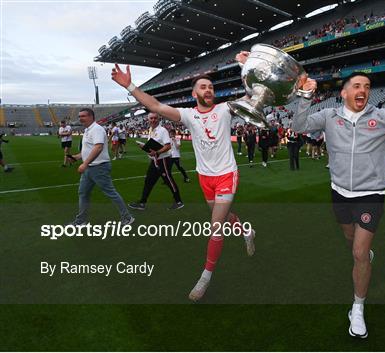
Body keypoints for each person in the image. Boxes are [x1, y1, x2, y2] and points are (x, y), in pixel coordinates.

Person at [292, 72, 385, 339]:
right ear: (344, 93)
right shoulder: (328, 117)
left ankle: (357, 307)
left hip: (371, 193)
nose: (363, 90)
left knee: (359, 252)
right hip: (339, 192)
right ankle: (363, 258)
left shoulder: (381, 116)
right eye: (356, 86)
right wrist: (304, 96)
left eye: (367, 87)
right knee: (351, 242)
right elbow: (299, 126)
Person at [111, 54, 255, 302]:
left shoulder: (225, 109)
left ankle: (205, 276)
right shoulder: (188, 115)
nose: (208, 89)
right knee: (222, 216)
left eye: (211, 86)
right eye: (203, 86)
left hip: (226, 175)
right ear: (194, 94)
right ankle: (246, 230)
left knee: (215, 226)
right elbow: (155, 106)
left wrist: (247, 66)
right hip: (205, 177)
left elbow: (252, 97)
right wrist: (130, 87)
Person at [67, 108, 134, 226]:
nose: (80, 118)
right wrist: (76, 157)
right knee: (83, 193)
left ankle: (127, 218)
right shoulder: (88, 130)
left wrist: (85, 163)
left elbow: (98, 148)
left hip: (99, 167)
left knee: (110, 193)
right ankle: (81, 220)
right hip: (90, 167)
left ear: (91, 117)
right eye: (79, 116)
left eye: (83, 116)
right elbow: (88, 150)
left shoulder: (97, 129)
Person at [128, 113, 184, 211]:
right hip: (155, 160)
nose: (153, 120)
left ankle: (178, 201)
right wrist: (145, 147)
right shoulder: (151, 130)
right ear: (148, 119)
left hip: (164, 160)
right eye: (151, 118)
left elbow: (168, 146)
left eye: (155, 118)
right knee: (148, 181)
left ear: (158, 119)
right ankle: (142, 203)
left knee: (168, 180)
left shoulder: (162, 130)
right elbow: (154, 145)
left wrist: (156, 152)